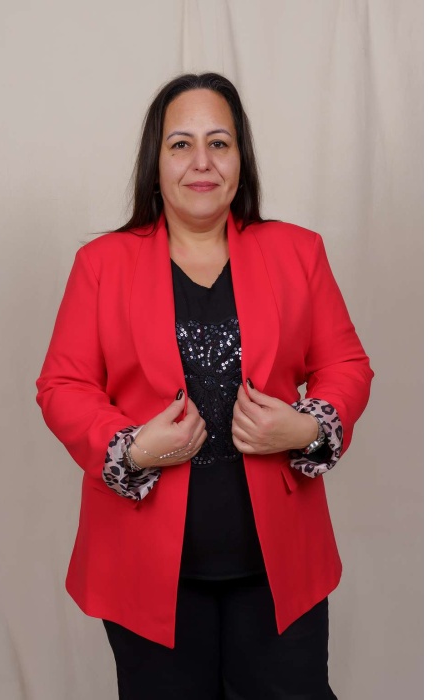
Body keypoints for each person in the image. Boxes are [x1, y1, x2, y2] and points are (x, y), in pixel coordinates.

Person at [36, 72, 373, 699]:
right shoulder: (101, 265)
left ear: (241, 159)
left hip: (279, 567)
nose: (201, 162)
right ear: (155, 161)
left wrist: (307, 426)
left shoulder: (299, 252)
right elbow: (63, 384)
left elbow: (346, 365)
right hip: (145, 569)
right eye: (181, 144)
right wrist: (132, 448)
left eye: (219, 143)